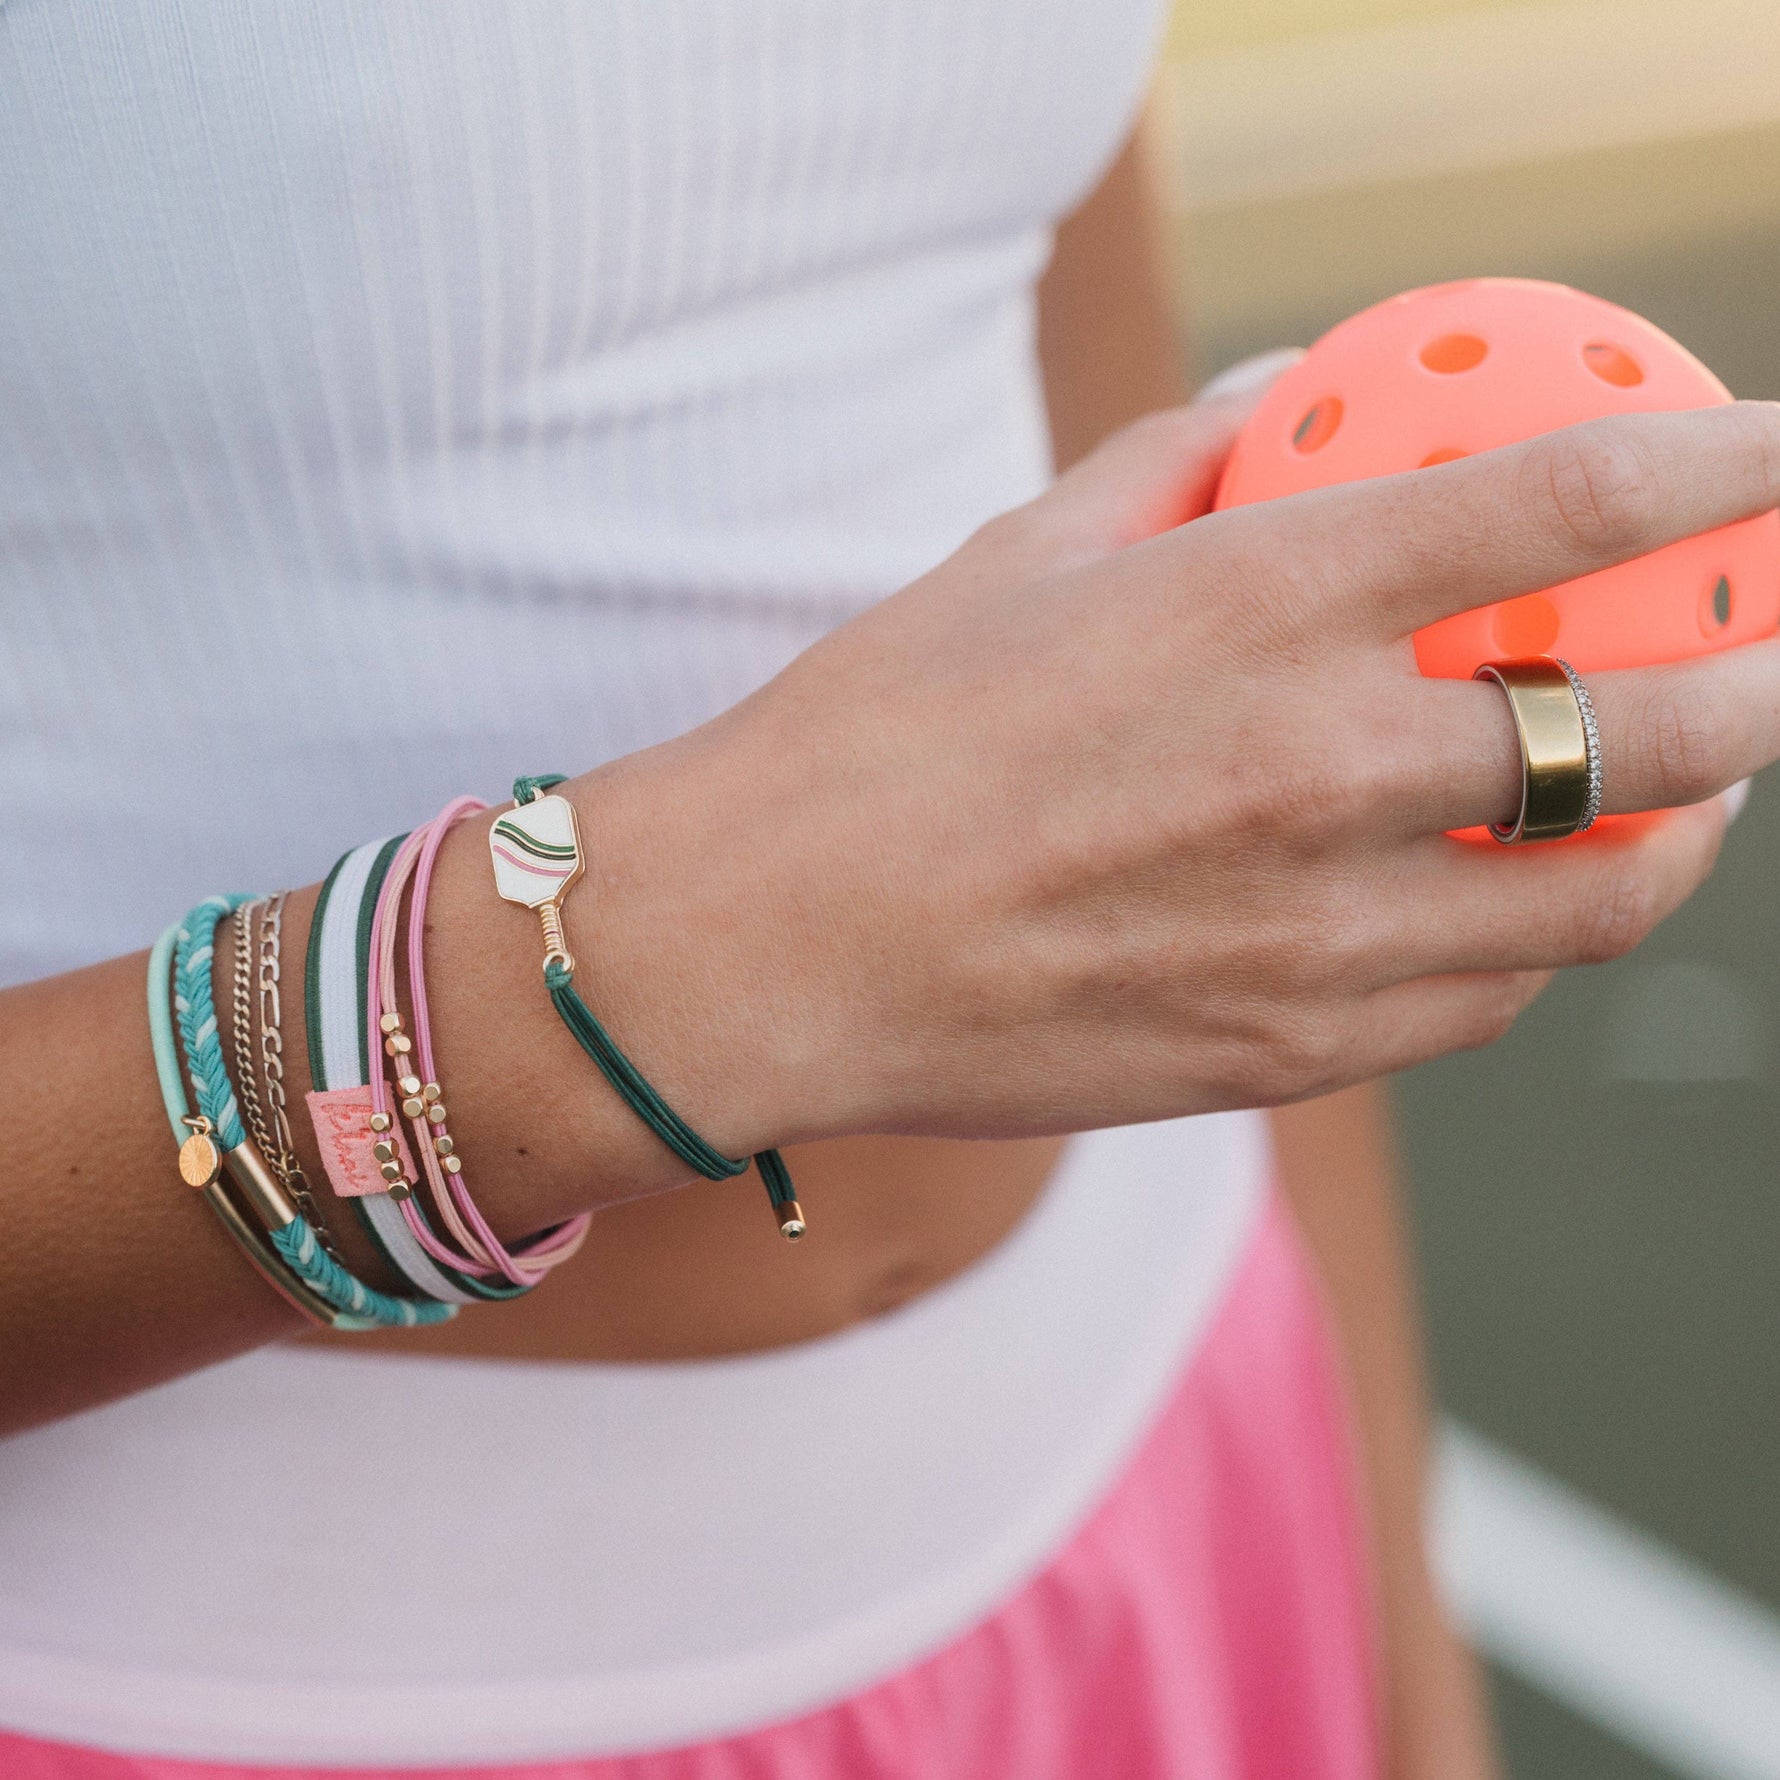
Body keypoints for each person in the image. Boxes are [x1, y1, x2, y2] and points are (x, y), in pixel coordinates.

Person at [1, 4, 1775, 1776]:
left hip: (1167, 1456)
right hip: (206, 1687)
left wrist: (1390, 1625)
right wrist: (661, 974)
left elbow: (1127, 433)